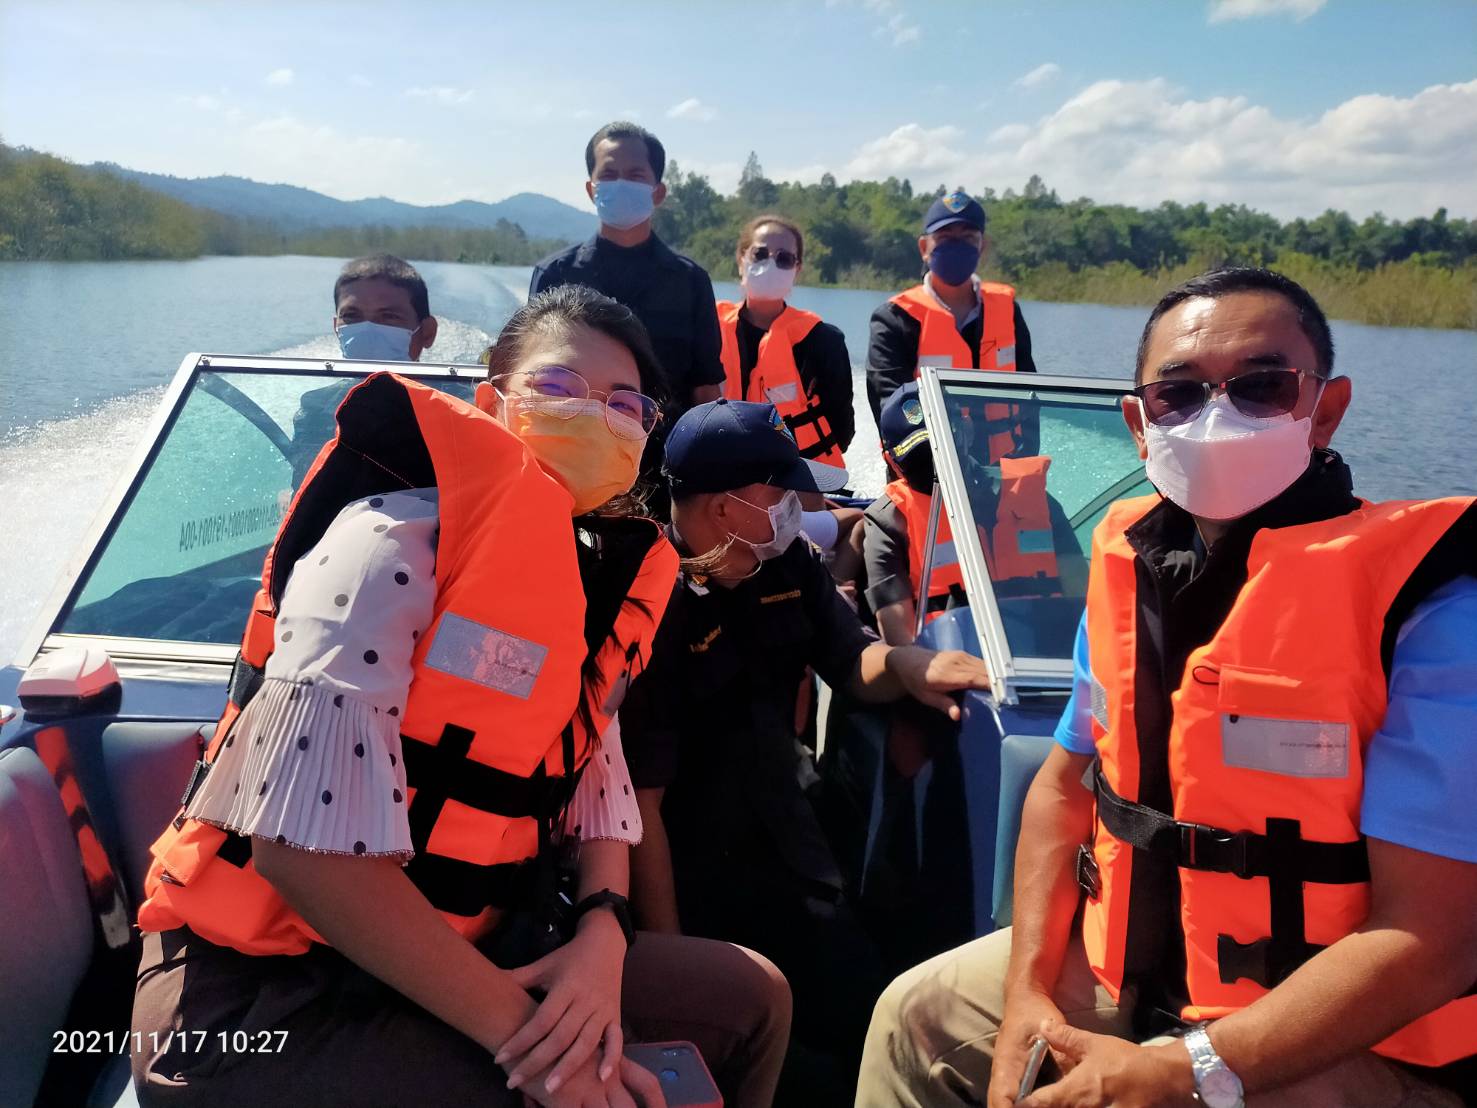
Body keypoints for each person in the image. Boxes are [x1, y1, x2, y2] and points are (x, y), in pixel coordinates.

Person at [131, 286, 791, 1108]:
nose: (594, 418)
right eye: (557, 388)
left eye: (624, 405)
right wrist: (542, 1053)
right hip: (262, 992)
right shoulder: (384, 545)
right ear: (492, 402)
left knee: (754, 999)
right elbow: (301, 857)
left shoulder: (590, 583)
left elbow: (599, 788)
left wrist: (602, 930)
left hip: (479, 942)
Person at [857, 268, 1477, 1108]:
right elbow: (1065, 787)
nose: (1216, 417)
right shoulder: (1128, 568)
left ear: (1324, 409)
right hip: (1140, 964)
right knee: (915, 1017)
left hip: (1350, 1033)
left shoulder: (1429, 608)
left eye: (1261, 386)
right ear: (1137, 424)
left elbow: (1431, 937)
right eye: (1177, 394)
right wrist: (1026, 996)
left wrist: (1184, 1070)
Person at [621, 398, 993, 1100]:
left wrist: (909, 665)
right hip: (689, 866)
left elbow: (849, 659)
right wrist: (671, 961)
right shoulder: (648, 598)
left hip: (790, 834)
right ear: (725, 508)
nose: (803, 507)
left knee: (871, 1012)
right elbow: (641, 804)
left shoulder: (786, 562)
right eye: (783, 492)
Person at [863, 382, 1084, 645]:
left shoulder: (1037, 500)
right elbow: (899, 636)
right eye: (919, 456)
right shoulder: (887, 522)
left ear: (968, 431)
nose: (936, 463)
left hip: (1051, 658)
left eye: (945, 445)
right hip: (948, 663)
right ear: (891, 461)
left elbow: (1084, 602)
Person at [530, 122, 724, 411]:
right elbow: (534, 373)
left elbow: (705, 387)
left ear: (658, 192)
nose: (621, 184)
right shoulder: (554, 274)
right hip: (576, 433)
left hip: (667, 439)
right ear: (591, 190)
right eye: (608, 175)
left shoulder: (691, 281)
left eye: (635, 175)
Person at [866, 189, 1038, 458]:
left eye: (968, 238)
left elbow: (1030, 395)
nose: (956, 246)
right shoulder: (895, 319)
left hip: (1006, 468)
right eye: (945, 238)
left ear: (982, 246)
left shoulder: (1008, 311)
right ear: (924, 248)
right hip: (928, 470)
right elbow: (890, 409)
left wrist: (1027, 459)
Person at [718, 215, 855, 468]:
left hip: (797, 474)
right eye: (760, 254)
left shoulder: (823, 341)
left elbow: (842, 432)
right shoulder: (709, 330)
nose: (770, 263)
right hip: (722, 467)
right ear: (741, 259)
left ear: (797, 270)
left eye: (784, 258)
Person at [292, 255, 441, 485]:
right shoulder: (316, 408)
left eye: (389, 316)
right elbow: (305, 491)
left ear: (427, 332)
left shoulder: (463, 407)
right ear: (336, 328)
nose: (368, 329)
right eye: (352, 317)